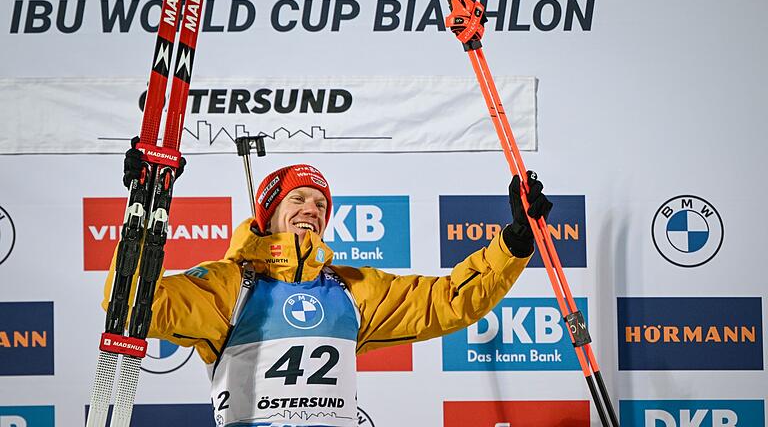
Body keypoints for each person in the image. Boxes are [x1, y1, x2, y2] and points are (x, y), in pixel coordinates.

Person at [105, 158, 552, 427]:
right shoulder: (229, 284)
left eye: (320, 204)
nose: (312, 210)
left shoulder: (350, 288)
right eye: (297, 199)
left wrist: (513, 242)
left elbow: (448, 300)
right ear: (268, 212)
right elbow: (135, 306)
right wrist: (145, 211)